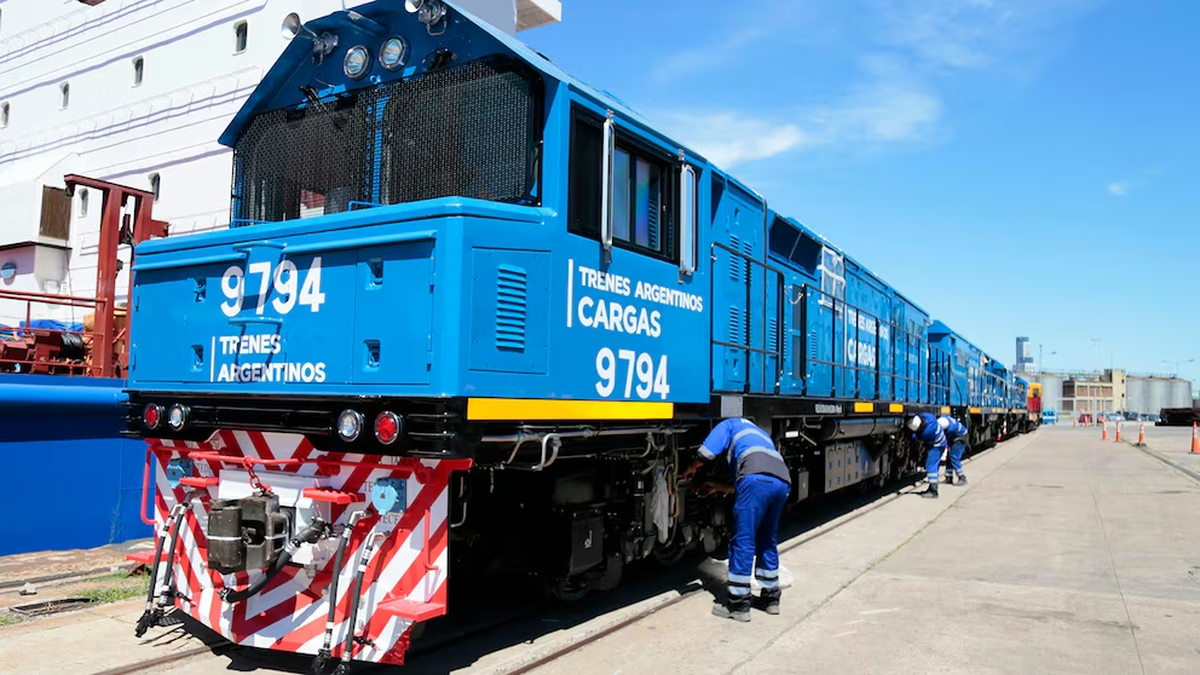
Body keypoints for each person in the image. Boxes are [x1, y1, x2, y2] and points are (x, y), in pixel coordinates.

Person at [682, 417, 792, 622]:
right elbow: (753, 482)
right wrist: (718, 487)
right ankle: (771, 599)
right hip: (782, 482)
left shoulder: (729, 424)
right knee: (767, 539)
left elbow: (707, 452)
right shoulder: (759, 433)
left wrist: (692, 467)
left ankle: (738, 605)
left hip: (754, 480)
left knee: (743, 540)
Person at [906, 412, 946, 499]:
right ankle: (932, 488)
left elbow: (915, 437)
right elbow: (922, 414)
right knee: (934, 466)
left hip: (937, 446)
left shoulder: (925, 434)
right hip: (942, 442)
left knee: (930, 466)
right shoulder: (930, 418)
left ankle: (933, 491)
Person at [938, 414, 969, 485]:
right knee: (949, 456)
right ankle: (949, 477)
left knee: (954, 457)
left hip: (960, 438)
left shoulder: (951, 429)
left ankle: (962, 477)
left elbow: (944, 438)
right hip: (955, 437)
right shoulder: (943, 419)